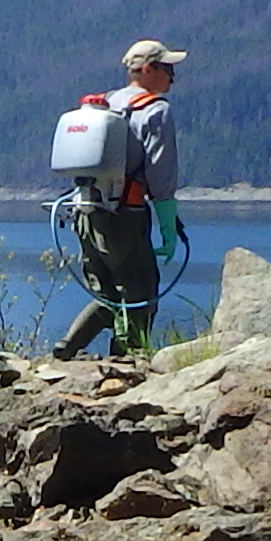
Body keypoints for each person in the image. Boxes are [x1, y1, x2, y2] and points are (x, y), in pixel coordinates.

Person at [64, 39, 190, 354]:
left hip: (84, 210)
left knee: (106, 294)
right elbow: (161, 173)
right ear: (147, 69)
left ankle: (66, 346)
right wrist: (167, 225)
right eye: (167, 69)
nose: (172, 77)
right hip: (125, 215)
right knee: (141, 292)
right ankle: (129, 362)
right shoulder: (155, 111)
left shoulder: (103, 104)